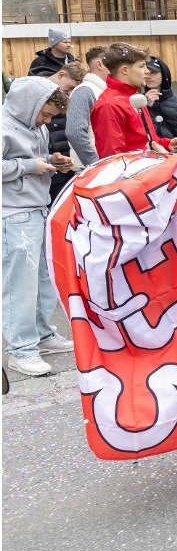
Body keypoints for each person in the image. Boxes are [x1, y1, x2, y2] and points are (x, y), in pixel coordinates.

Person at [2, 77, 75, 377]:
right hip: (13, 213)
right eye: (44, 114)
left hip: (36, 207)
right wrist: (32, 166)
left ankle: (42, 335)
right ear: (29, 105)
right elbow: (19, 164)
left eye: (50, 117)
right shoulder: (4, 125)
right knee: (20, 284)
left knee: (44, 278)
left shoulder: (35, 125)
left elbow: (32, 159)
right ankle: (20, 349)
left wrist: (52, 161)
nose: (46, 121)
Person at [90, 43, 174, 158]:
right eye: (142, 66)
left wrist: (168, 144)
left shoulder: (135, 96)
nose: (147, 71)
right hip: (137, 169)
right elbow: (113, 158)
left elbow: (146, 141)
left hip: (148, 166)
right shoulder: (109, 105)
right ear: (125, 70)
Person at [36, 62, 85, 202]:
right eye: (70, 88)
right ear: (61, 75)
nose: (70, 93)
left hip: (60, 162)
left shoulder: (64, 95)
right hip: (42, 166)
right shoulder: (37, 93)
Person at [64, 46, 108, 169]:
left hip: (107, 166)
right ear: (99, 64)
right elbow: (75, 132)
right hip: (92, 169)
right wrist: (94, 164)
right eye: (113, 62)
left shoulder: (102, 90)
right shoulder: (84, 91)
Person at [144, 56, 177, 142]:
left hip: (175, 149)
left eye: (153, 72)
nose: (148, 76)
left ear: (164, 74)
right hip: (147, 149)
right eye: (146, 72)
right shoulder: (137, 102)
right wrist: (145, 107)